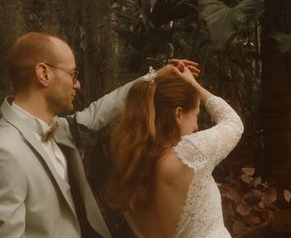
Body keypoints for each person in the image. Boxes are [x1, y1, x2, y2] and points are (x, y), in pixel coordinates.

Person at [0, 31, 198, 238]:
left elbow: (106, 108)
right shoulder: (3, 150)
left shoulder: (58, 128)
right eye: (73, 74)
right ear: (44, 74)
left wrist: (155, 76)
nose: (78, 84)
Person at [105, 63, 244, 237]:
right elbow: (233, 123)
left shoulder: (131, 170)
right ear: (178, 114)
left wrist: (155, 77)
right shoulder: (188, 154)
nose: (196, 127)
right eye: (196, 115)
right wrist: (194, 85)